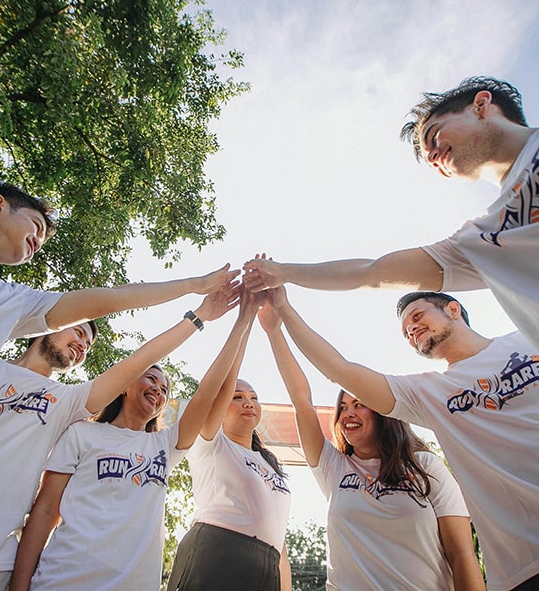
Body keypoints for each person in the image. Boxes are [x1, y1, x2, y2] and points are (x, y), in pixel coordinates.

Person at [0, 180, 239, 506]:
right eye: (35, 225)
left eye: (89, 342)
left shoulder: (9, 303)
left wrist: (196, 291)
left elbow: (114, 302)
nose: (38, 241)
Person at [266, 287, 539, 591]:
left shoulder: (426, 467)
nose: (348, 413)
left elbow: (462, 554)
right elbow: (303, 398)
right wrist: (275, 329)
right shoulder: (333, 468)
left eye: (359, 404)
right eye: (342, 407)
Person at [243, 76, 539, 350]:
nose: (435, 158)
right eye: (431, 163)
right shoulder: (480, 241)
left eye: (434, 136)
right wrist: (281, 272)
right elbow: (370, 273)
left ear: (481, 105)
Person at [9, 286, 256, 591]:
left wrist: (244, 320)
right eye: (150, 379)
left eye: (165, 389)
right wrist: (19, 586)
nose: (158, 389)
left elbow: (209, 390)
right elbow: (46, 511)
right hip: (62, 581)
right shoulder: (82, 433)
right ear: (127, 385)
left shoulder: (165, 447)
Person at [167, 291, 292, 591]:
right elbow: (221, 384)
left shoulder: (271, 465)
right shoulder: (211, 443)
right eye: (238, 398)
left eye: (253, 398)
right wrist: (245, 318)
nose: (248, 402)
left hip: (267, 564)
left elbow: (280, 541)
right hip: (218, 552)